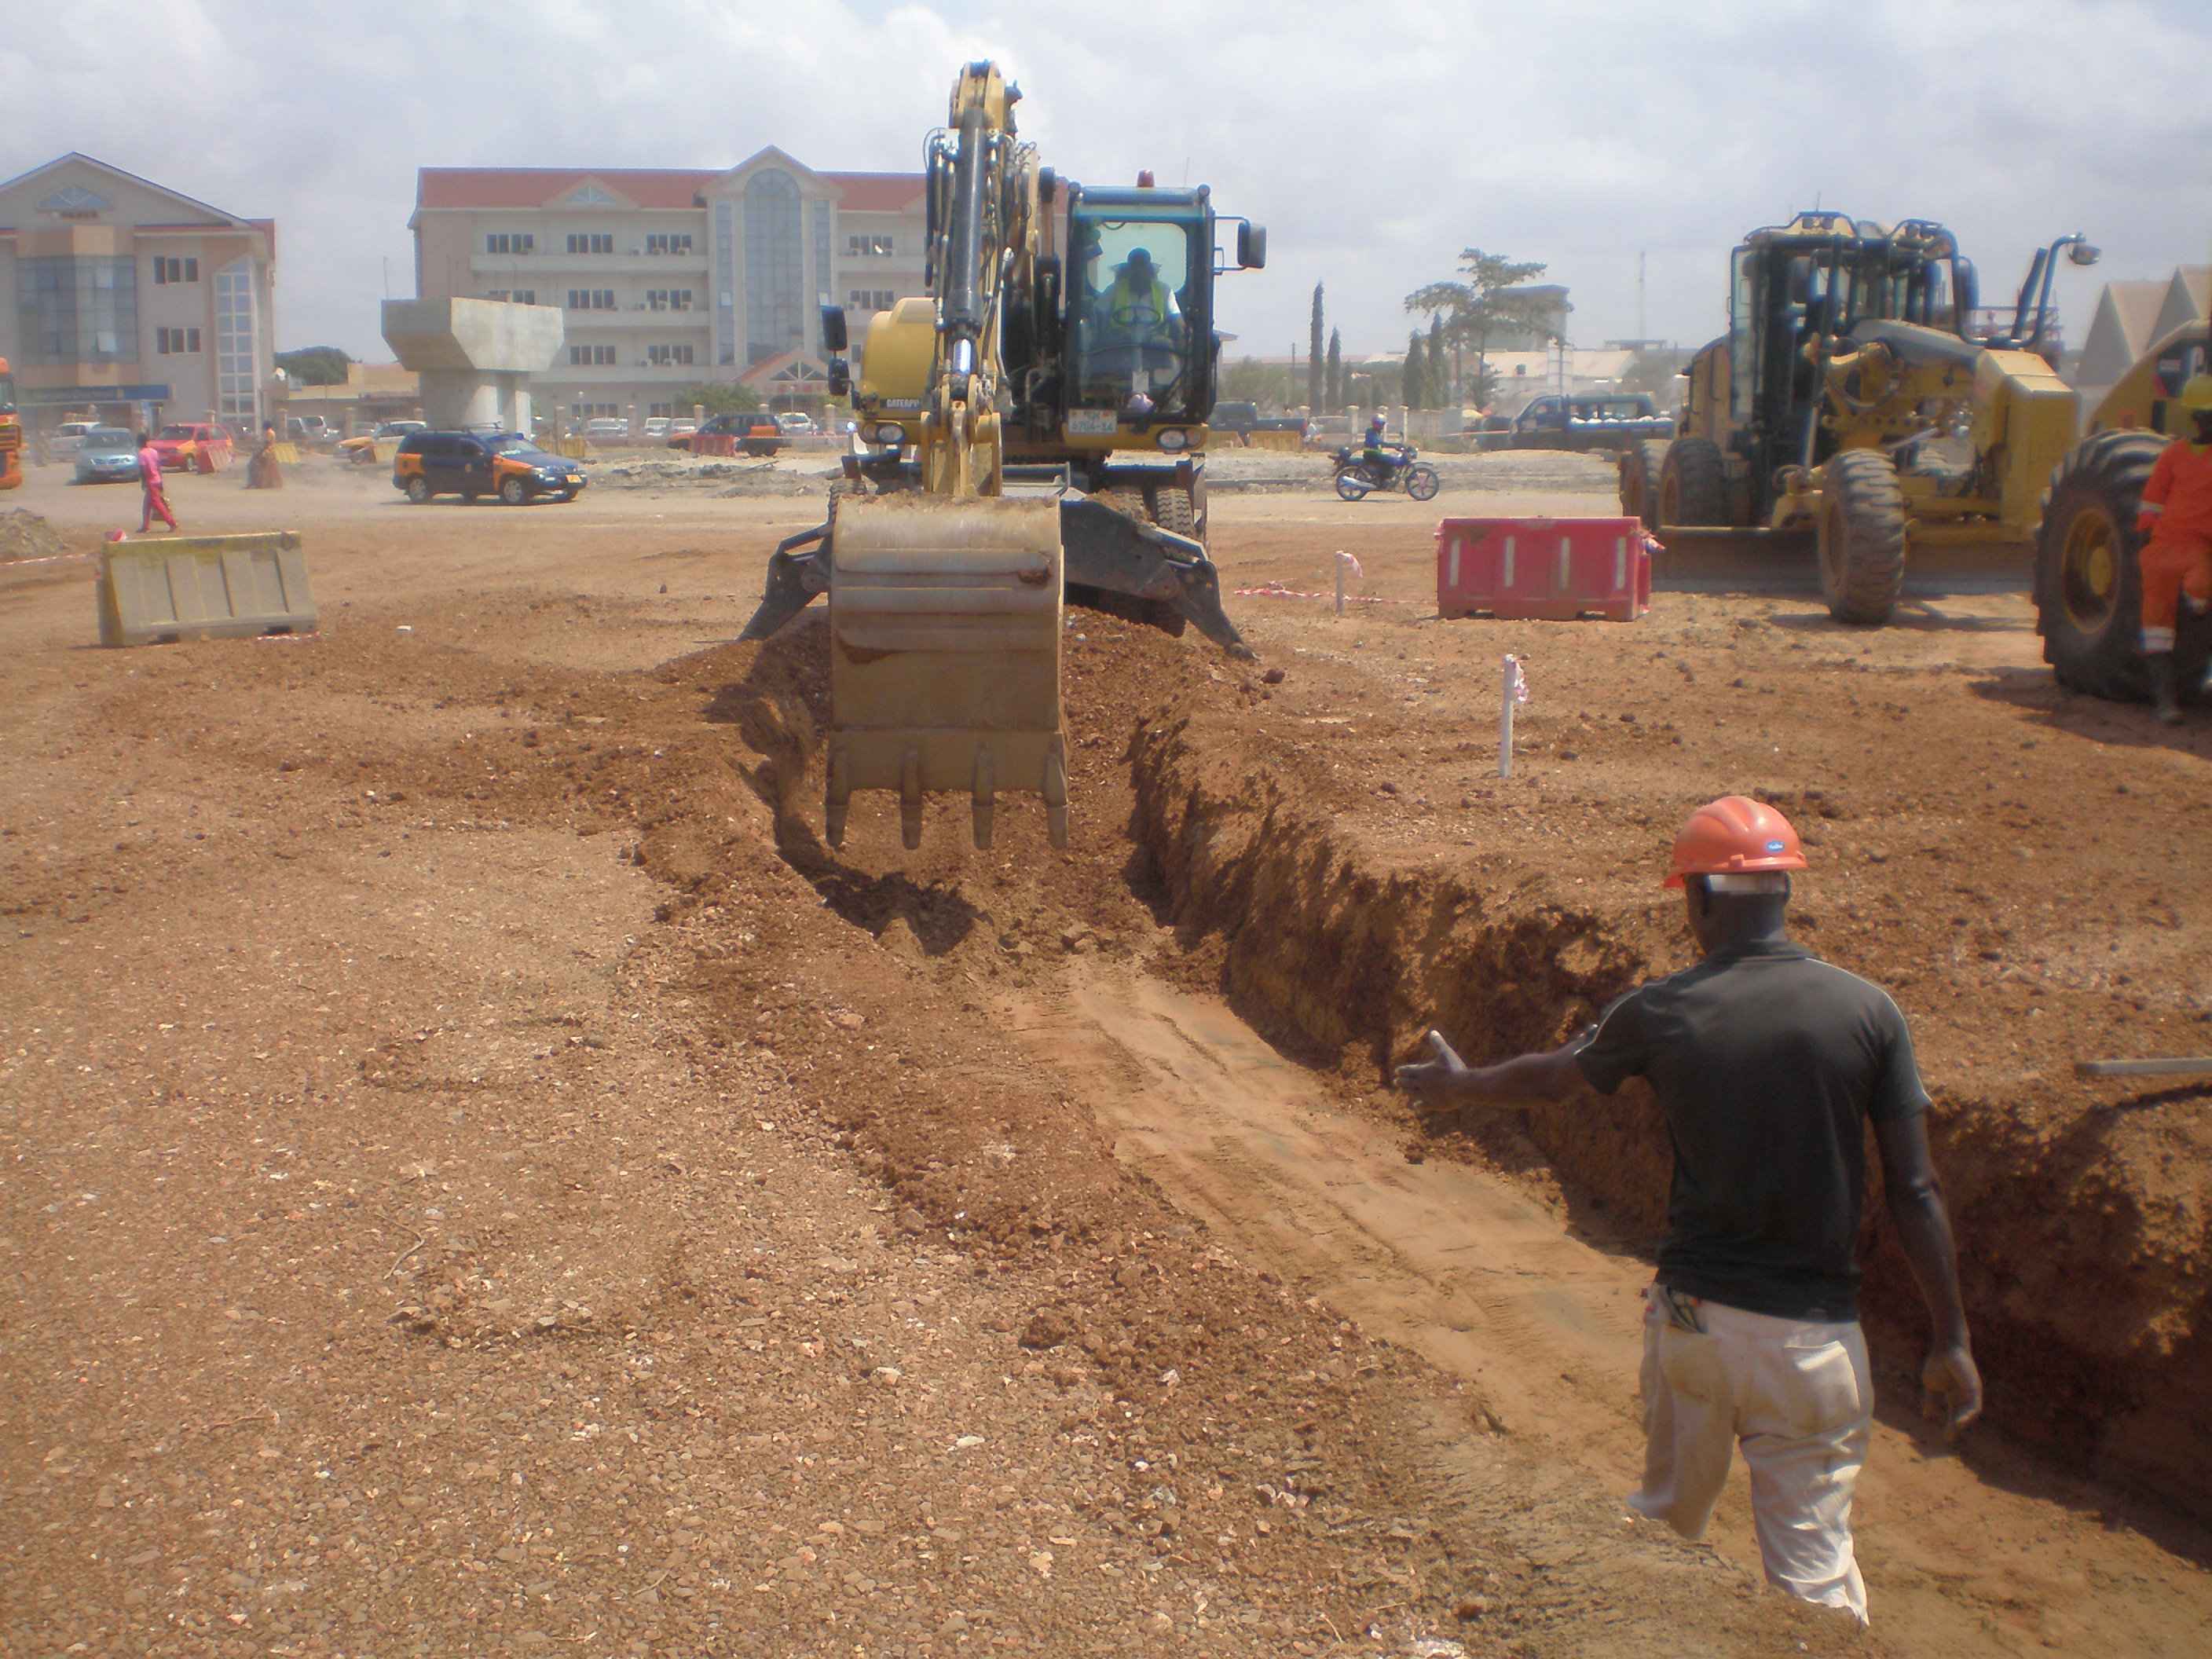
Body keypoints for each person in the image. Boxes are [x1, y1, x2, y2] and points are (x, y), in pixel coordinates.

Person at [1394, 795, 1979, 1626]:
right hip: (1815, 1348)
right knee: (1815, 1584)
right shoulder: (1868, 1013)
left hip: (1696, 1327)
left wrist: (1459, 1090)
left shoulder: (1661, 1009)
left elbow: (1552, 1077)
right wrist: (1949, 1338)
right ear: (1783, 891)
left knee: (1663, 1534)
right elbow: (1915, 1191)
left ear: (1697, 897)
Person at [2135, 373, 2212, 724]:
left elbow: (2151, 506)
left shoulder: (2176, 454)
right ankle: (2166, 702)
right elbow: (2151, 504)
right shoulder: (2174, 455)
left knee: (2181, 604)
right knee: (2157, 628)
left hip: (2187, 551)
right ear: (2199, 419)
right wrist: (2146, 536)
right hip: (2170, 552)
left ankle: (2169, 701)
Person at [1095, 247, 1181, 341]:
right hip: (1121, 341)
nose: (1139, 272)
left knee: (1166, 344)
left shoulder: (1165, 290)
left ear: (1150, 270)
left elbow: (1176, 317)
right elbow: (1097, 314)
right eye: (1135, 267)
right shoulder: (1114, 289)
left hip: (1155, 341)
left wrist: (1184, 333)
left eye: (1142, 267)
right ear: (1129, 270)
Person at [137, 431, 178, 533]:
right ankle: (145, 526)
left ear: (139, 442)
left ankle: (172, 523)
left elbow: (143, 469)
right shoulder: (153, 452)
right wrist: (161, 482)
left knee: (158, 504)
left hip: (150, 482)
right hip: (157, 480)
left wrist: (143, 482)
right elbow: (158, 467)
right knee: (147, 505)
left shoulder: (142, 454)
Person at [1361, 412, 1398, 486]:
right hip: (1371, 455)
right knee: (1389, 459)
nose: (1381, 426)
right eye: (1380, 424)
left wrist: (1395, 445)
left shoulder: (1377, 432)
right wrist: (1391, 445)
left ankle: (1383, 480)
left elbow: (1380, 444)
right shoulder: (1370, 431)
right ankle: (1382, 481)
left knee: (1388, 463)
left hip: (1376, 454)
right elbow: (1377, 442)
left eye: (1382, 424)